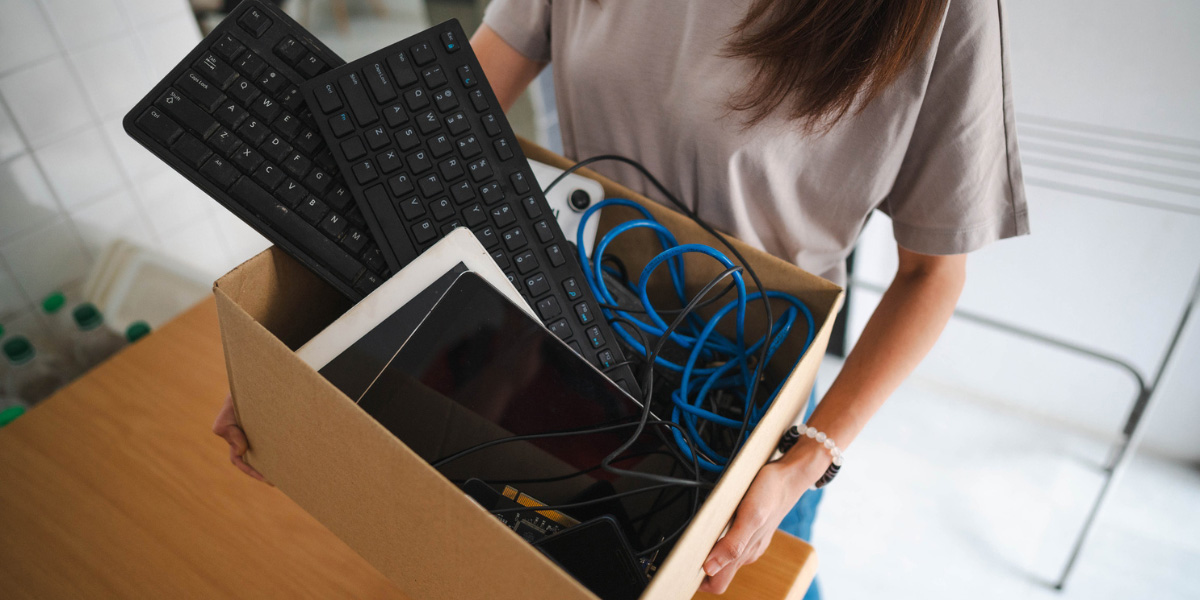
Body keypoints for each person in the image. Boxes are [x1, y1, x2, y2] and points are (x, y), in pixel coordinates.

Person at [214, 0, 1029, 596]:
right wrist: (303, 343)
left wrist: (804, 464)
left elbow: (932, 274)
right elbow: (446, 123)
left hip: (753, 397)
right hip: (560, 324)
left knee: (764, 580)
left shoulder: (943, 16)